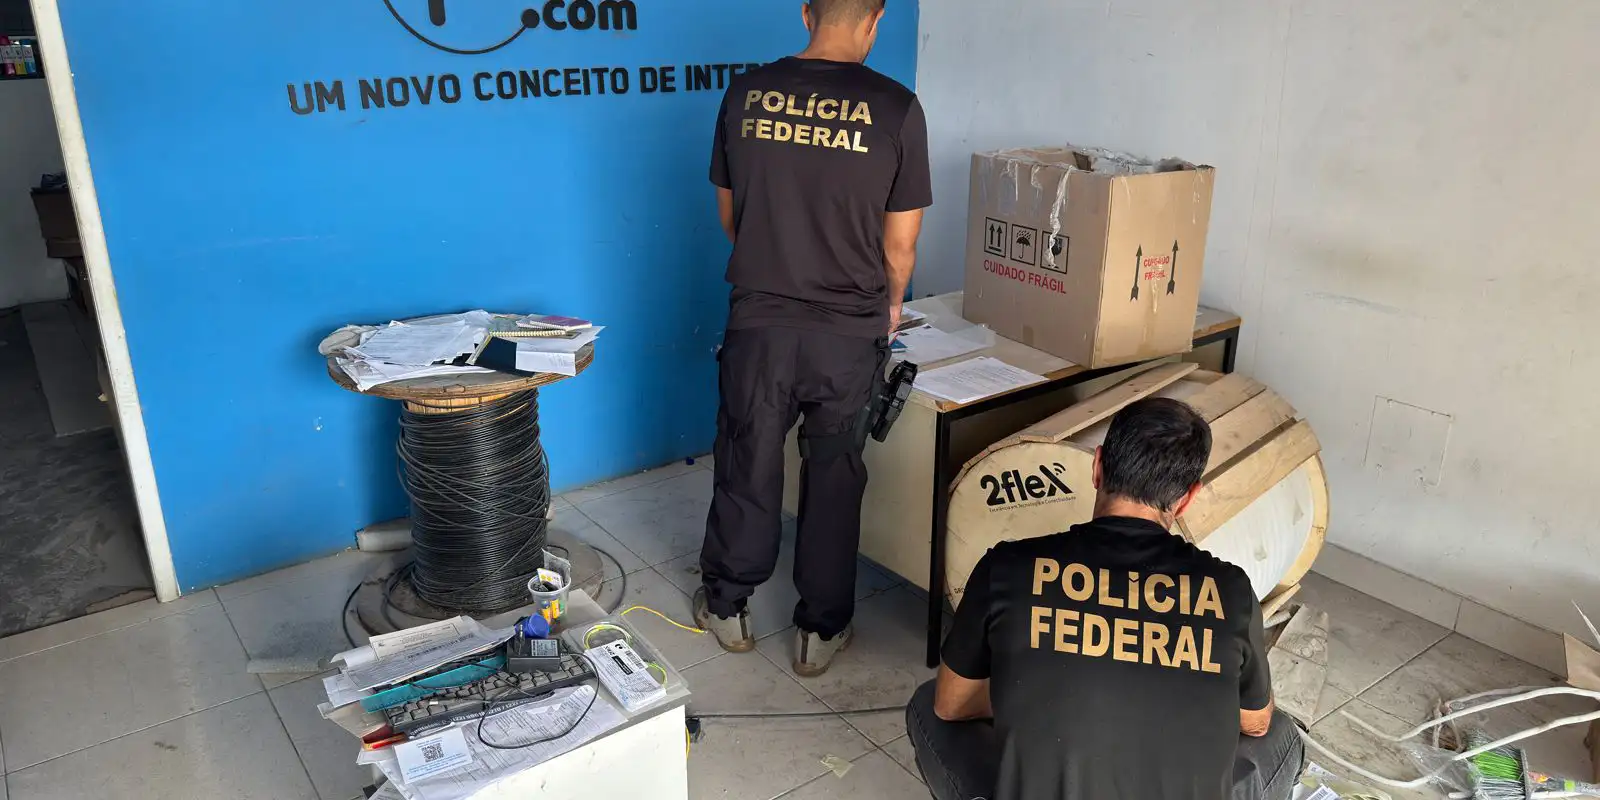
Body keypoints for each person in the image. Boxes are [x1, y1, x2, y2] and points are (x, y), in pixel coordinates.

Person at [693, 0, 932, 677]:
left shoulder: (745, 94)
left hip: (760, 325)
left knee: (747, 459)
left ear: (806, 13)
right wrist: (890, 304)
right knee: (834, 473)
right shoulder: (897, 108)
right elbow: (900, 245)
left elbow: (731, 217)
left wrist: (778, 263)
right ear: (874, 20)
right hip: (847, 335)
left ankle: (729, 606)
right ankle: (819, 630)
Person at [906, 398, 1304, 800]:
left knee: (929, 706)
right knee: (1280, 733)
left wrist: (1032, 700)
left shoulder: (1007, 567)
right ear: (1187, 498)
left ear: (1097, 467)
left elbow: (951, 705)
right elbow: (1254, 721)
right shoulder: (1230, 591)